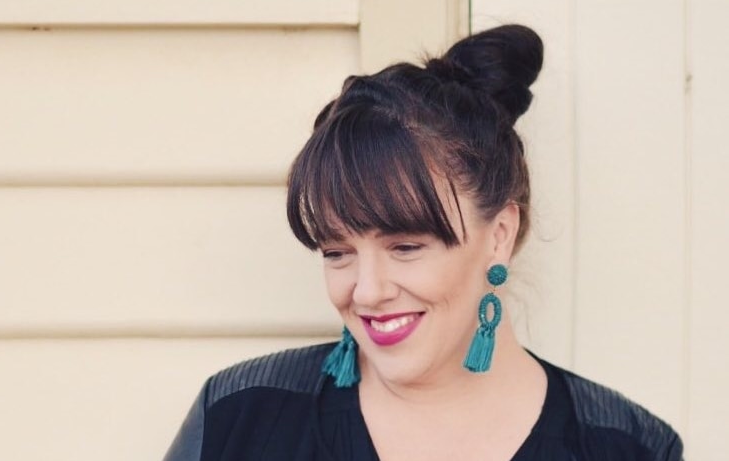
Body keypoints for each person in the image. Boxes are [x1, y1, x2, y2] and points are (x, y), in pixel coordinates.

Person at [164, 24, 683, 461]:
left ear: (498, 236)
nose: (366, 292)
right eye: (337, 252)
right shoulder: (240, 419)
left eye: (405, 246)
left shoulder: (625, 446)